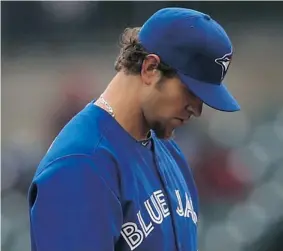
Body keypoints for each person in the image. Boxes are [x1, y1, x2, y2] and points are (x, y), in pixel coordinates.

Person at [28, 7, 240, 251]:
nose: (197, 109)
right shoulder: (80, 164)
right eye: (191, 92)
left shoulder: (170, 152)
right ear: (150, 68)